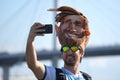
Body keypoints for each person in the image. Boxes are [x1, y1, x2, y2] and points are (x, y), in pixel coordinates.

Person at [26, 6, 91, 80]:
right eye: (65, 48)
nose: (69, 52)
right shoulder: (54, 75)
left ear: (81, 53)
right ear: (62, 53)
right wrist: (30, 40)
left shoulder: (86, 78)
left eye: (73, 48)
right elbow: (33, 64)